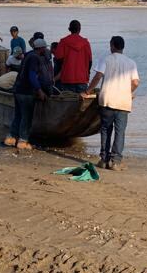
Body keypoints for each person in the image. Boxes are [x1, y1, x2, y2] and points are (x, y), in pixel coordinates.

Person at [83, 36, 140, 171]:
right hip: (123, 102)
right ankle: (116, 162)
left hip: (107, 99)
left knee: (105, 130)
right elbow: (136, 82)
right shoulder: (131, 63)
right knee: (120, 132)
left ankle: (104, 159)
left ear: (112, 46)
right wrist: (129, 92)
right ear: (122, 47)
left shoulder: (105, 59)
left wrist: (88, 90)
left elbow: (98, 77)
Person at [4, 38, 53, 151]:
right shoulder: (35, 58)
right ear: (40, 49)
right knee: (26, 117)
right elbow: (32, 76)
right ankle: (23, 141)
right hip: (26, 92)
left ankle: (10, 138)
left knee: (18, 115)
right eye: (44, 48)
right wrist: (39, 90)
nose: (45, 50)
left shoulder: (28, 55)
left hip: (18, 90)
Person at [53, 20, 92, 93]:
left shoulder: (63, 42)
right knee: (81, 103)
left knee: (68, 103)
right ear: (80, 29)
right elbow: (90, 61)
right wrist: (87, 73)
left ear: (69, 29)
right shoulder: (86, 43)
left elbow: (58, 59)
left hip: (67, 79)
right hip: (82, 79)